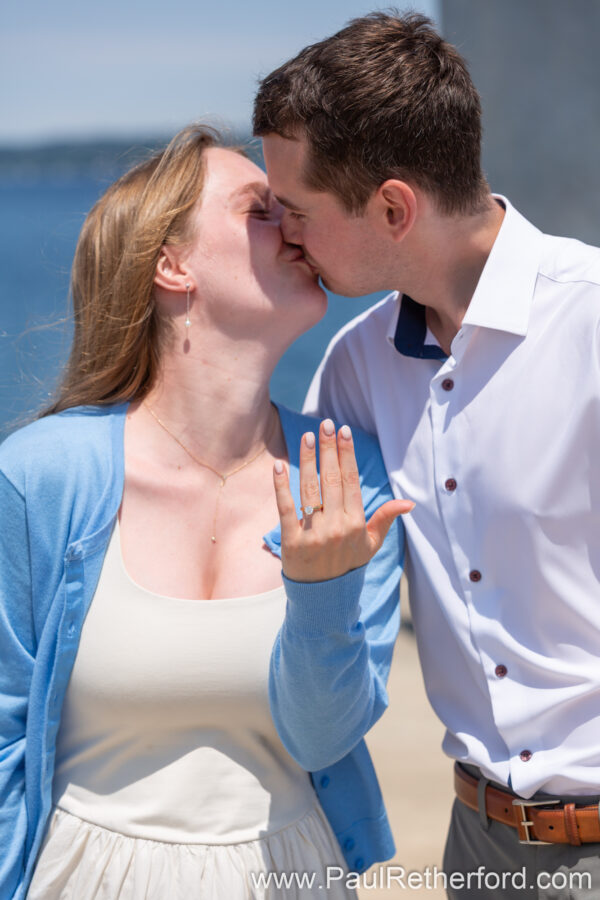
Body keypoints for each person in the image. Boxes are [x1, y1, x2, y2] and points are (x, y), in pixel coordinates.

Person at [0, 124, 413, 900]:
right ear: (173, 265)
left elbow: (323, 738)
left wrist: (322, 592)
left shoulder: (348, 476)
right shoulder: (41, 476)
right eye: (260, 209)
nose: (295, 226)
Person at [253, 11, 600, 899]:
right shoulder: (354, 371)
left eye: (297, 211)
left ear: (393, 208)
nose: (284, 235)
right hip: (477, 847)